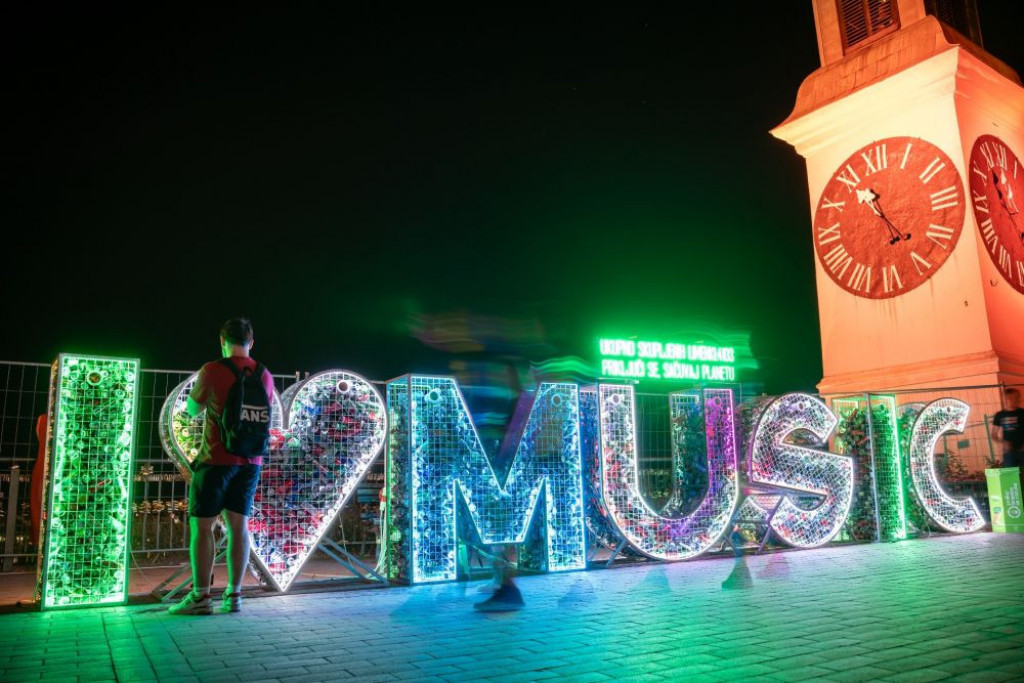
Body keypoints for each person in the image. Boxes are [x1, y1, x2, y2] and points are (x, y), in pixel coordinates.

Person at [169, 317, 274, 615]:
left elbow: (192, 409)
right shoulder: (264, 374)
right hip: (251, 462)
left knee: (202, 527)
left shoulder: (212, 370)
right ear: (251, 342)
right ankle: (234, 595)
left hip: (215, 459)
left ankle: (201, 597)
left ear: (222, 342)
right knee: (239, 527)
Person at [991, 388, 1024, 469]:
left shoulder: (1022, 413)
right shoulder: (1000, 415)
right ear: (1006, 399)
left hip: (1022, 449)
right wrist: (1003, 442)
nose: (1018, 400)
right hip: (1009, 452)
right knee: (1010, 474)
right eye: (1014, 398)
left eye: (1018, 397)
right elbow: (994, 434)